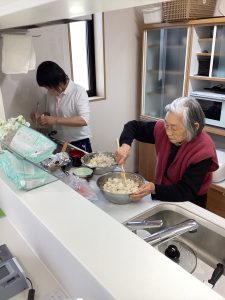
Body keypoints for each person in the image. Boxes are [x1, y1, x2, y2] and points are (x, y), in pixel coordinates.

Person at [115, 97, 219, 208]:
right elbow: (133, 126)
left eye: (174, 128)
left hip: (191, 202)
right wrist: (125, 145)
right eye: (166, 124)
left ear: (194, 126)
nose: (168, 132)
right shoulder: (163, 129)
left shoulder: (203, 149)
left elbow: (186, 190)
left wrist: (154, 189)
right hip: (164, 192)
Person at [31, 60, 92, 153]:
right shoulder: (50, 93)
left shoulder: (78, 91)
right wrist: (41, 117)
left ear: (58, 82)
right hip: (59, 141)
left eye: (48, 87)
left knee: (82, 167)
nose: (47, 90)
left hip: (78, 142)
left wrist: (55, 120)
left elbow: (83, 120)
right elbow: (50, 113)